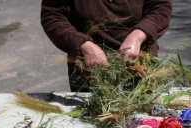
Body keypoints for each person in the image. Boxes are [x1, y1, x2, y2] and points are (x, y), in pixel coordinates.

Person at [40, 0, 172, 92]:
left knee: (145, 122)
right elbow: (52, 16)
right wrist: (83, 45)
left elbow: (161, 8)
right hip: (90, 67)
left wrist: (137, 36)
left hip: (141, 64)